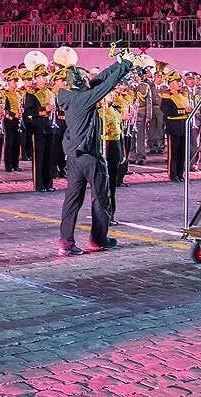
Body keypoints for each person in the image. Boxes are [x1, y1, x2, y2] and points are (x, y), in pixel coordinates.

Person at [55, 48, 133, 256]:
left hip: (73, 156)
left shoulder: (69, 96)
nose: (89, 80)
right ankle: (98, 240)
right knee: (101, 197)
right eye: (86, 78)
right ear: (80, 82)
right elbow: (104, 86)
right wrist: (126, 65)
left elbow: (99, 82)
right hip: (90, 156)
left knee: (72, 200)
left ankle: (66, 242)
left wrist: (118, 64)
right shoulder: (83, 99)